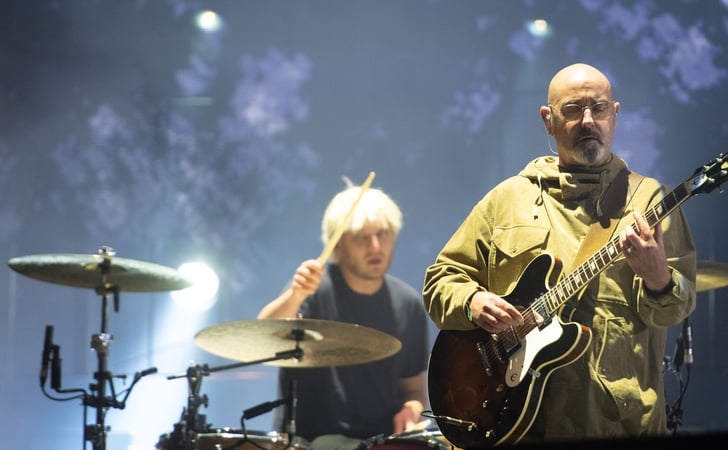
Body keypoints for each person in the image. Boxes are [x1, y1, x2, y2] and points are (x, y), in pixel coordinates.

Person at [422, 63, 697, 444]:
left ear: (614, 115)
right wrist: (471, 301)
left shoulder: (650, 201)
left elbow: (674, 309)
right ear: (547, 120)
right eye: (572, 110)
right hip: (514, 426)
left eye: (598, 108)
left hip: (616, 426)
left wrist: (658, 278)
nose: (588, 121)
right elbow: (441, 279)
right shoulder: (507, 200)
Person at [257, 179, 430, 450]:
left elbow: (413, 391)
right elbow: (260, 336)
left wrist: (411, 410)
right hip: (309, 441)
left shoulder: (408, 303)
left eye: (383, 234)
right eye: (362, 237)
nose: (375, 246)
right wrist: (295, 295)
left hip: (380, 442)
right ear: (337, 246)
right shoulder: (312, 292)